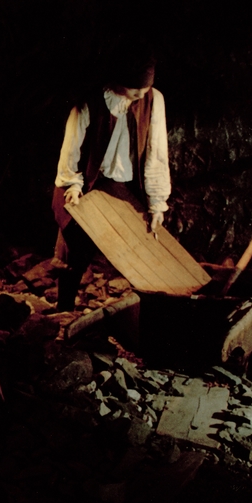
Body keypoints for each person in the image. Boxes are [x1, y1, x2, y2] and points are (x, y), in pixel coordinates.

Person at [51, 45, 171, 312]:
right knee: (76, 247)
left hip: (126, 185)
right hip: (90, 182)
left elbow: (157, 153)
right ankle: (64, 308)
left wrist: (156, 203)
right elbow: (71, 147)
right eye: (134, 88)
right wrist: (73, 183)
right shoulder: (90, 102)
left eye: (145, 88)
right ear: (120, 80)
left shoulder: (153, 100)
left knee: (142, 245)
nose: (141, 93)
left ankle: (142, 311)